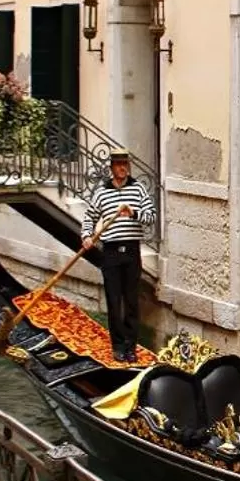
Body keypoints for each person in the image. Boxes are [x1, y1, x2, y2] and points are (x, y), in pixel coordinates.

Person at [84, 148, 156, 363]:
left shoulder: (138, 189)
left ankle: (130, 347)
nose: (123, 168)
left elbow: (151, 216)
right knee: (114, 301)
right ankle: (117, 346)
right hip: (111, 253)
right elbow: (89, 216)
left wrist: (133, 213)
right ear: (112, 168)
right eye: (118, 164)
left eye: (125, 164)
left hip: (131, 251)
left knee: (131, 301)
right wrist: (86, 235)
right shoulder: (101, 192)